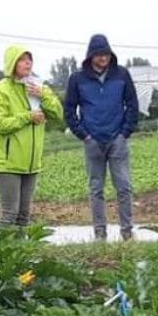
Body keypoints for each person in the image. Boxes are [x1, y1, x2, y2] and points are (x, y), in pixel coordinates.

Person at [63, 34, 140, 240]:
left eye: (106, 54)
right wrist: (85, 136)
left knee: (124, 187)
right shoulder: (77, 79)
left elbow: (132, 105)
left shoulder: (121, 75)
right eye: (99, 54)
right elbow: (69, 110)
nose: (103, 58)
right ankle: (100, 233)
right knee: (96, 189)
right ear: (91, 56)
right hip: (93, 141)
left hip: (117, 140)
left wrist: (125, 133)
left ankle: (127, 232)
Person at [0, 44, 61, 227]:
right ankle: (0, 254)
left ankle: (21, 254)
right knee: (9, 213)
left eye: (29, 60)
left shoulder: (39, 86)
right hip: (8, 163)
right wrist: (27, 117)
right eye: (22, 59)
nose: (27, 64)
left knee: (24, 216)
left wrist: (43, 96)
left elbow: (58, 114)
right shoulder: (0, 90)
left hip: (31, 164)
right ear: (12, 63)